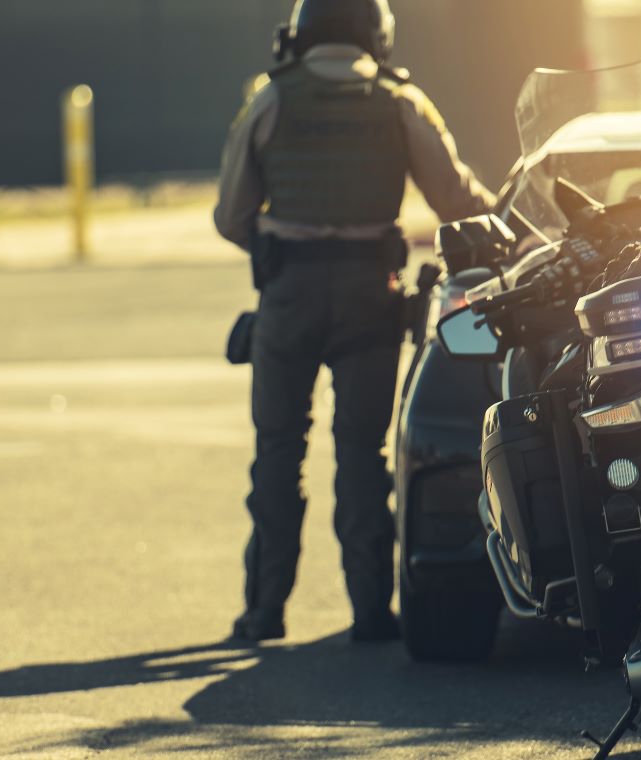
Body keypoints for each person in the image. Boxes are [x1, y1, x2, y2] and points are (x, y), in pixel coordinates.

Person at [214, 0, 494, 643]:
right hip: (372, 294)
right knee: (362, 456)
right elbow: (457, 201)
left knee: (278, 452)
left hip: (288, 296)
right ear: (377, 35)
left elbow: (231, 216)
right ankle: (370, 611)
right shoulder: (399, 101)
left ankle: (264, 611)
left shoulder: (270, 99)